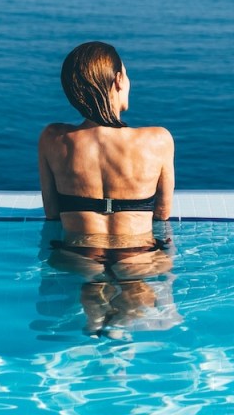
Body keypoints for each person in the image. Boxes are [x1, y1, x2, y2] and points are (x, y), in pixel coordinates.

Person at [38, 41, 175, 288]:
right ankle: (119, 324)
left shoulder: (52, 138)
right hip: (139, 254)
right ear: (119, 80)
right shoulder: (158, 139)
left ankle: (94, 316)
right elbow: (162, 214)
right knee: (136, 292)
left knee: (92, 291)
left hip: (77, 255)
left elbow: (52, 213)